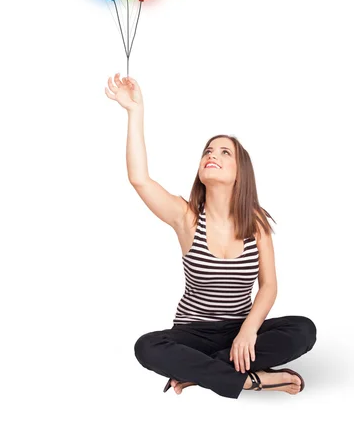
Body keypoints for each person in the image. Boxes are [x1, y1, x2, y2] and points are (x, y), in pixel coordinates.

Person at [105, 73, 317, 399]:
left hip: (240, 330)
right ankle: (249, 379)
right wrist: (135, 111)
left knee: (303, 329)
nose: (212, 155)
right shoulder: (187, 217)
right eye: (208, 151)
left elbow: (269, 286)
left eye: (224, 152)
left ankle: (200, 373)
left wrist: (247, 331)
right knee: (147, 346)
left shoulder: (256, 224)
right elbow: (140, 179)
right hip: (193, 333)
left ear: (240, 172)